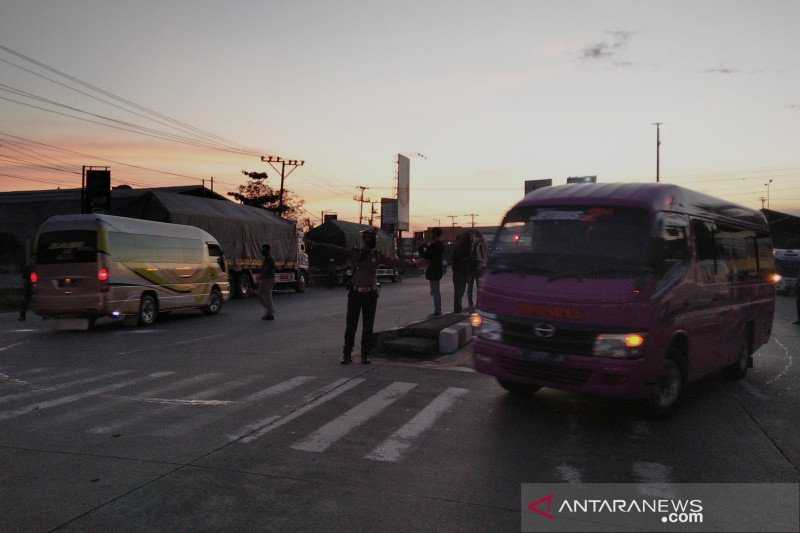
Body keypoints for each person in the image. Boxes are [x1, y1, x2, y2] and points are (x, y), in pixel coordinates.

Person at [342, 228, 380, 364]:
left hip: (370, 294)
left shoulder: (376, 254)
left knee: (368, 326)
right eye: (367, 238)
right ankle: (347, 354)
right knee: (351, 325)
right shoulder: (355, 253)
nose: (369, 240)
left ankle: (365, 354)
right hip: (355, 293)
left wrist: (415, 263)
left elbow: (394, 261)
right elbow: (338, 249)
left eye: (372, 238)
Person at [420, 227, 445, 316]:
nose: (430, 235)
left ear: (434, 234)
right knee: (435, 290)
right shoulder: (440, 245)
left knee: (435, 291)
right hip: (437, 269)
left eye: (432, 233)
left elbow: (426, 255)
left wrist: (422, 247)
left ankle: (438, 310)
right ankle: (438, 309)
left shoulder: (434, 245)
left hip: (433, 269)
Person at [451, 232, 472, 313]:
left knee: (458, 292)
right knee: (460, 292)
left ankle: (457, 308)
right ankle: (457, 308)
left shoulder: (458, 248)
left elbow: (453, 258)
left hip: (458, 272)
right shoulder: (467, 248)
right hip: (462, 272)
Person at [466, 231, 487, 310]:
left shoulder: (481, 245)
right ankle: (471, 303)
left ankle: (479, 303)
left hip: (478, 267)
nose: (474, 238)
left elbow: (483, 256)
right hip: (473, 267)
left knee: (478, 287)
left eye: (475, 236)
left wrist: (482, 265)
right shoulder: (473, 245)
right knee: (470, 287)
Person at [258, 244, 276, 320]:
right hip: (264, 279)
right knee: (259, 295)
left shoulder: (271, 259)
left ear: (268, 250)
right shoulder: (265, 259)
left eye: (264, 249)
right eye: (262, 249)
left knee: (268, 296)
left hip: (269, 279)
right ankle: (270, 309)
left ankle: (269, 313)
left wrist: (261, 276)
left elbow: (267, 269)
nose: (263, 251)